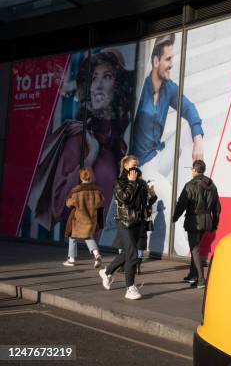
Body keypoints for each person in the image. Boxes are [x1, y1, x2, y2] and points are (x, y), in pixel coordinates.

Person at [32, 50, 134, 234]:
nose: (98, 85)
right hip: (83, 248)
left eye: (107, 76)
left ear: (117, 86)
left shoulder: (115, 144)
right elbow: (59, 207)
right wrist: (90, 157)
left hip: (106, 247)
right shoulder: (77, 140)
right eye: (94, 78)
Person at [128, 33, 204, 255]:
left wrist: (198, 137)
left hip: (157, 155)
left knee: (188, 130)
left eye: (172, 58)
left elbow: (189, 108)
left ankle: (183, 188)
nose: (171, 64)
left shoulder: (169, 88)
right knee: (166, 192)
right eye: (168, 59)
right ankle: (184, 253)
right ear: (155, 61)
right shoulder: (141, 88)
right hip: (141, 168)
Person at [99, 155, 156, 300]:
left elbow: (149, 201)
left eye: (137, 165)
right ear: (125, 166)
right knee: (132, 254)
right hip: (124, 222)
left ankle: (107, 271)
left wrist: (151, 192)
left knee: (127, 253)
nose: (135, 168)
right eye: (133, 165)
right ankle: (130, 287)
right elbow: (125, 199)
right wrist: (131, 183)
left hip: (139, 222)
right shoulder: (120, 183)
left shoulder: (142, 182)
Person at [172, 160, 221, 288]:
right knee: (196, 249)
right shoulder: (212, 185)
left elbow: (181, 203)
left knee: (195, 249)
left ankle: (200, 280)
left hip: (194, 220)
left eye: (192, 169)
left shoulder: (190, 185)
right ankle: (192, 275)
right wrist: (214, 224)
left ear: (194, 170)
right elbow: (217, 208)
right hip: (206, 221)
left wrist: (175, 217)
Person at [63, 167, 104, 268]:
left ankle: (71, 259)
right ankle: (97, 254)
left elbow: (68, 203)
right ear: (90, 178)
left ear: (81, 178)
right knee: (88, 236)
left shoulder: (76, 190)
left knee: (72, 237)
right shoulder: (97, 190)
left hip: (79, 219)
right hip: (91, 219)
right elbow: (101, 202)